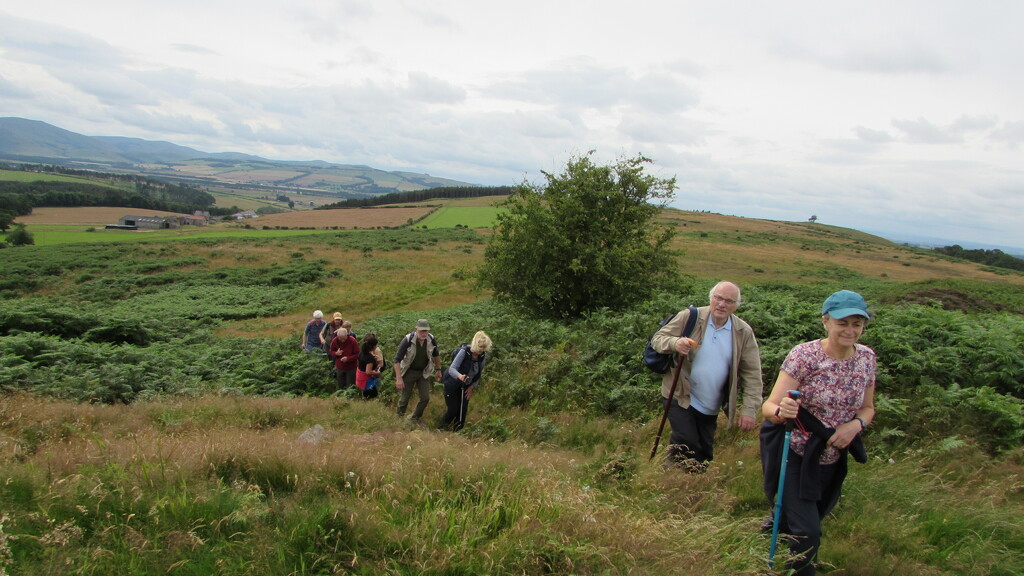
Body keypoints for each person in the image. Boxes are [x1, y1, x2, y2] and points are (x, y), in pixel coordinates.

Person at [760, 289, 876, 576]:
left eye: (857, 324)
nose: (850, 330)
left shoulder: (867, 359)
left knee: (816, 512)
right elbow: (769, 406)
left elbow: (868, 408)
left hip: (832, 455)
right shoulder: (805, 355)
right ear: (826, 322)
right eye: (843, 322)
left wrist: (855, 425)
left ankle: (772, 526)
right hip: (794, 449)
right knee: (809, 532)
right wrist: (781, 411)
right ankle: (800, 569)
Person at [650, 281, 763, 470]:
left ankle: (675, 482)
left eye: (728, 300)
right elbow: (658, 339)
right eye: (718, 298)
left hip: (711, 404)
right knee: (688, 443)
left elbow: (752, 373)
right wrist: (675, 343)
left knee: (704, 453)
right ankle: (676, 483)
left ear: (735, 306)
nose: (722, 304)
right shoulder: (690, 317)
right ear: (711, 298)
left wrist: (749, 410)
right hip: (679, 394)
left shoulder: (743, 331)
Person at [438, 331, 492, 431]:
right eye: (480, 347)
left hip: (466, 385)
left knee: (462, 412)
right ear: (476, 344)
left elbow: (479, 373)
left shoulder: (482, 356)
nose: (482, 350)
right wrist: (460, 376)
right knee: (453, 410)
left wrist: (472, 386)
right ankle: (441, 429)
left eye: (484, 347)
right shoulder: (464, 351)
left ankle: (457, 433)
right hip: (453, 383)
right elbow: (452, 369)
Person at [394, 319, 442, 426]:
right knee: (404, 398)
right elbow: (397, 360)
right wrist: (399, 378)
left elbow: (436, 355)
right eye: (422, 331)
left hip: (424, 372)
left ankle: (414, 418)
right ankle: (398, 420)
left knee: (425, 398)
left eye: (426, 331)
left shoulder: (431, 339)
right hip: (409, 372)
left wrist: (439, 370)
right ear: (416, 329)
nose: (424, 333)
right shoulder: (408, 340)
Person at [329, 327, 360, 392]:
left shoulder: (352, 341)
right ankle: (342, 399)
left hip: (351, 368)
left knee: (350, 386)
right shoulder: (335, 340)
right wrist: (336, 353)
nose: (342, 340)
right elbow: (331, 351)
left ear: (347, 335)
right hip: (340, 367)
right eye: (340, 338)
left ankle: (350, 399)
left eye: (344, 338)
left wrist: (348, 358)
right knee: (341, 386)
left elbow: (357, 354)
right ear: (338, 336)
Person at [355, 333, 383, 400]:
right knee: (371, 397)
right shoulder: (370, 358)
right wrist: (377, 373)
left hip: (360, 377)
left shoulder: (361, 352)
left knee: (364, 396)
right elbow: (368, 371)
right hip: (367, 381)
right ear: (373, 346)